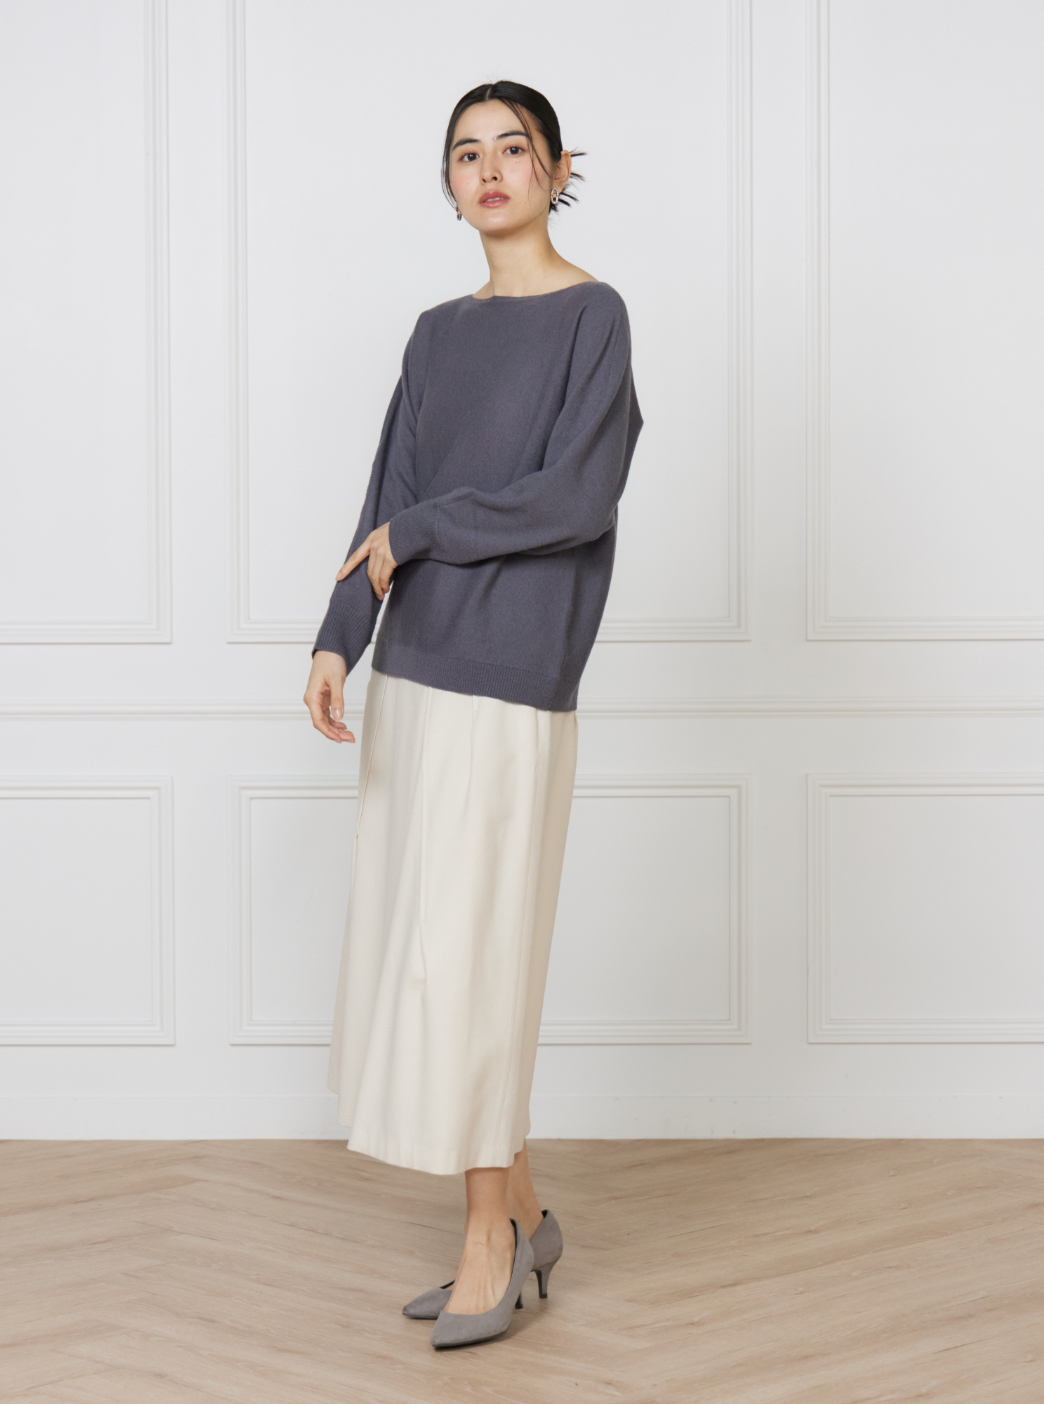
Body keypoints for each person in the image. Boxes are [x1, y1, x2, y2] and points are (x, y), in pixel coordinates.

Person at [303, 79, 643, 1350]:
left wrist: (426, 530)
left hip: (514, 681)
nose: (490, 169)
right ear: (448, 186)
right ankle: (527, 1213)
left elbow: (575, 499)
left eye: (514, 148)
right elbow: (384, 495)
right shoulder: (435, 335)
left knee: (476, 959)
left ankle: (487, 1241)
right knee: (431, 959)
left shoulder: (593, 317)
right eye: (466, 153)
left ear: (558, 169)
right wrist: (339, 637)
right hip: (415, 677)